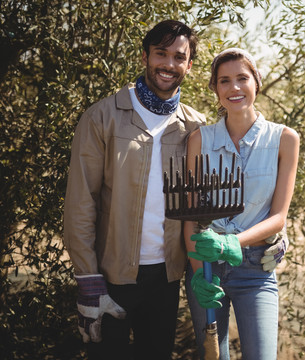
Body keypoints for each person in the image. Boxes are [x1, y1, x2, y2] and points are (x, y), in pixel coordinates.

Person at [63, 20, 205, 360]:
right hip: (109, 276)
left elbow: (208, 201)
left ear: (189, 65)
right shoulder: (103, 117)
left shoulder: (196, 128)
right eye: (161, 54)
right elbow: (81, 204)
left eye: (178, 57)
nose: (169, 65)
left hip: (167, 278)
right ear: (145, 57)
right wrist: (89, 281)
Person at [184, 48, 300, 360]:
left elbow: (278, 217)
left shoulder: (285, 139)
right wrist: (197, 274)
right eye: (224, 81)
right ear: (215, 89)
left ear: (256, 83)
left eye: (242, 78)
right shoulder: (199, 140)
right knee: (212, 357)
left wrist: (232, 242)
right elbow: (190, 218)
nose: (234, 88)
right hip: (208, 270)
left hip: (256, 270)